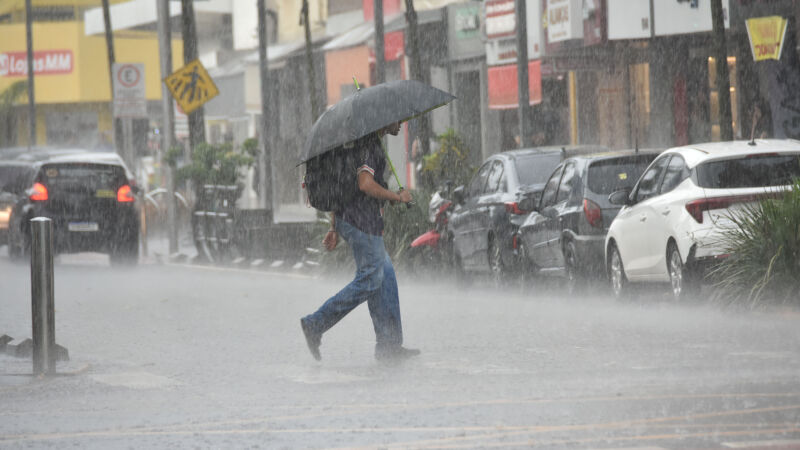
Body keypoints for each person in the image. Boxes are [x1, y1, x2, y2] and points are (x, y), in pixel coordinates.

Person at [300, 122, 420, 362]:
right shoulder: (369, 145)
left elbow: (344, 186)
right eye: (396, 118)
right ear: (382, 119)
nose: (400, 122)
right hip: (361, 223)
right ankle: (316, 323)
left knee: (384, 275)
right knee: (370, 278)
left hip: (353, 220)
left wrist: (334, 227)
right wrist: (396, 196)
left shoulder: (361, 143)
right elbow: (364, 184)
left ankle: (389, 346)